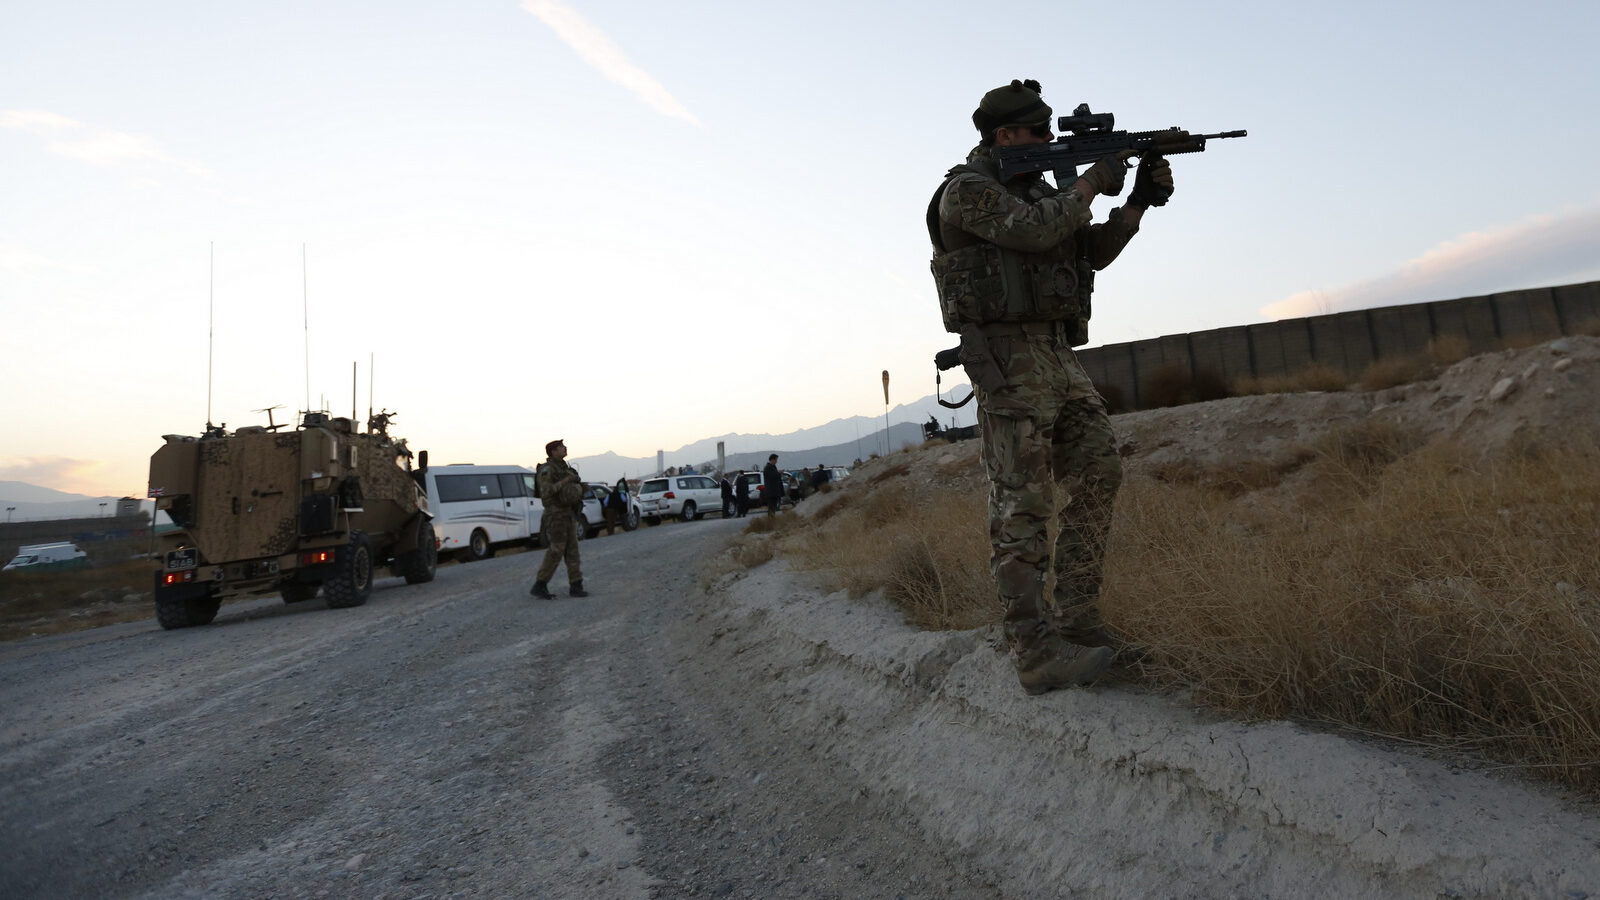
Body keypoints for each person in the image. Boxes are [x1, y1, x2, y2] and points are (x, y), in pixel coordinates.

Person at [928, 78, 1173, 695]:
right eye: (1039, 131)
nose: (1049, 138)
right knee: (1022, 505)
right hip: (1008, 360)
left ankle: (1080, 625)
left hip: (1057, 354)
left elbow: (1086, 252)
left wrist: (1137, 201)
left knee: (1099, 473)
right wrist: (1090, 181)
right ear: (1005, 135)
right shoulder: (968, 192)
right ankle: (1034, 652)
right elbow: (1032, 231)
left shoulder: (1042, 189)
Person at [529, 439, 587, 598]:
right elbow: (546, 492)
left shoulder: (565, 468)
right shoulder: (547, 470)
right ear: (553, 451)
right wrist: (567, 481)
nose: (565, 448)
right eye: (561, 447)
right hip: (555, 514)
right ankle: (540, 584)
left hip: (568, 513)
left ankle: (576, 585)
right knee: (556, 549)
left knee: (573, 550)